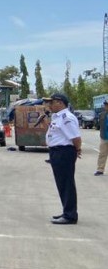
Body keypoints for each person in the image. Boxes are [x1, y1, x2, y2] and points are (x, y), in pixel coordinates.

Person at [46, 93, 82, 224]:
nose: (49, 105)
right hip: (57, 152)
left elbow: (76, 137)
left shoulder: (66, 117)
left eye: (52, 102)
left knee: (66, 184)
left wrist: (77, 149)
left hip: (64, 152)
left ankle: (70, 215)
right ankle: (67, 211)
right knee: (62, 184)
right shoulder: (58, 117)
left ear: (60, 103)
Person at [96, 99, 108, 176]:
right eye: (106, 105)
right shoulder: (102, 114)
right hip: (104, 137)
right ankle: (100, 169)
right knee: (102, 154)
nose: (106, 106)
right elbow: (99, 124)